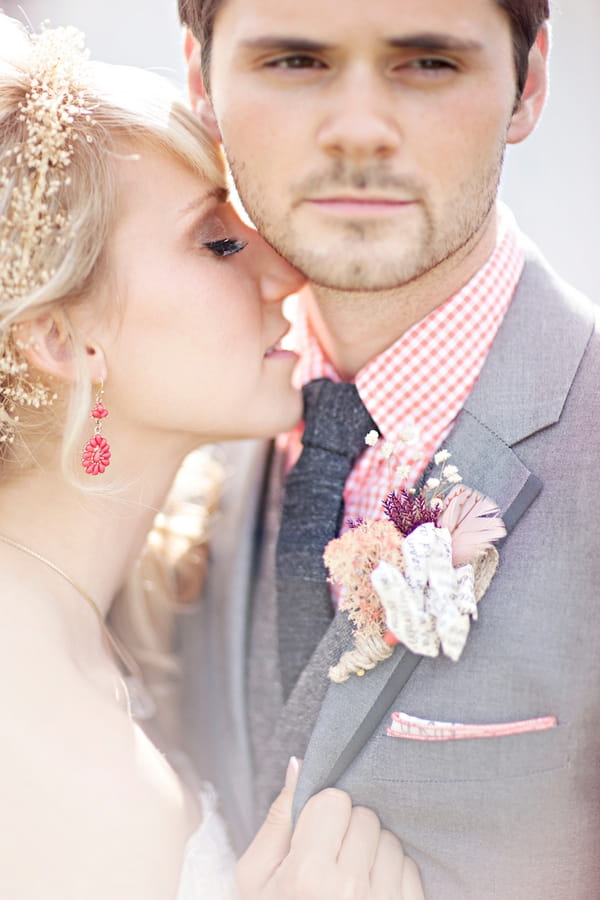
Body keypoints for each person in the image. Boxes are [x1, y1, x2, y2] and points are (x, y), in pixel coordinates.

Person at [178, 0, 600, 896]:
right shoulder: (174, 435)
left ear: (527, 83)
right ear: (199, 82)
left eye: (428, 64)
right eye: (295, 62)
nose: (360, 130)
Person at [0, 16, 425, 900]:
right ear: (59, 337)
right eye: (218, 241)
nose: (285, 270)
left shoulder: (101, 620)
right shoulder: (37, 736)